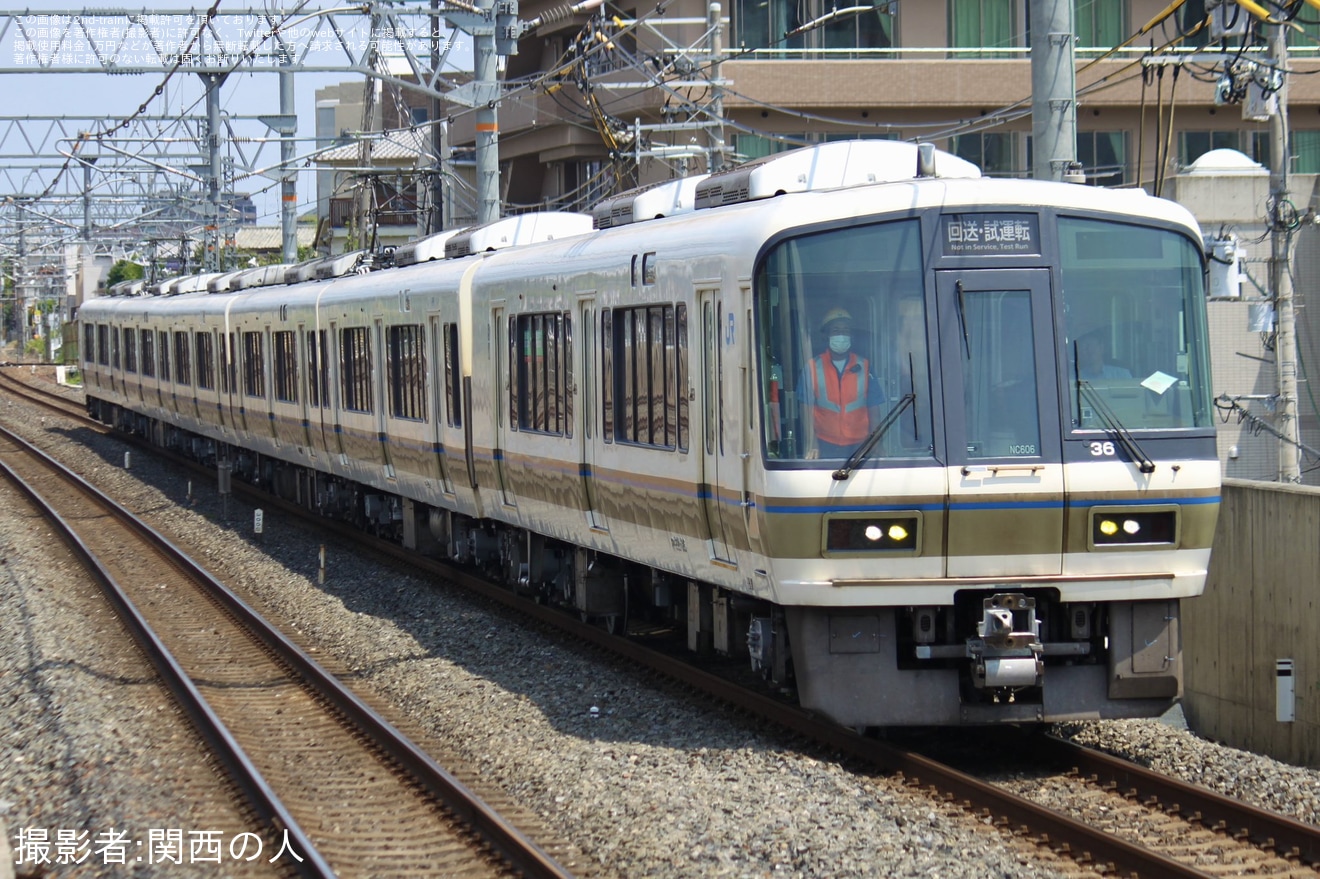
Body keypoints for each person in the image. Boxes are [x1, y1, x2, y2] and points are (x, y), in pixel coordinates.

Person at [800, 307, 885, 459]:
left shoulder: (864, 366)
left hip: (860, 445)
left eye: (845, 331)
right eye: (836, 331)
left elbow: (874, 410)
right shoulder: (812, 367)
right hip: (824, 445)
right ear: (827, 336)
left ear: (851, 336)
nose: (841, 335)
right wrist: (811, 443)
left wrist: (877, 444)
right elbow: (806, 410)